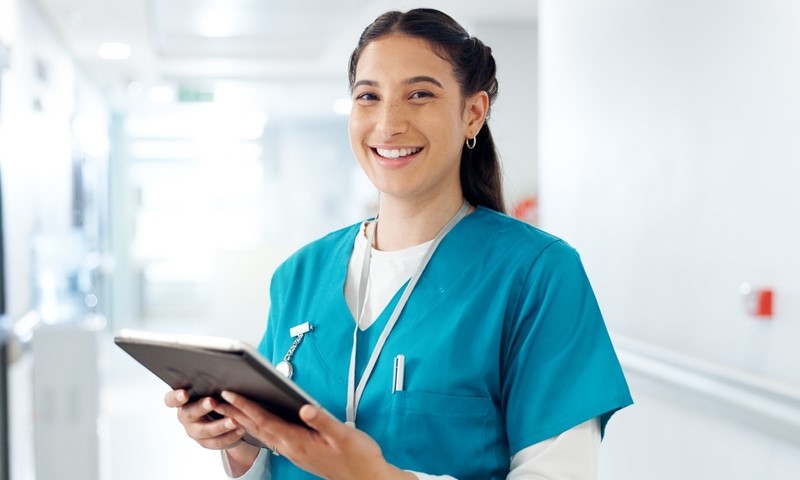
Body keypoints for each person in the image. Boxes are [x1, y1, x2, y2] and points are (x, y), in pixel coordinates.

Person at [164, 8, 632, 480]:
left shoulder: (537, 274)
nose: (388, 124)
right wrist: (240, 441)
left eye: (420, 94)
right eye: (369, 96)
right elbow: (274, 459)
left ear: (473, 113)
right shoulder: (300, 275)